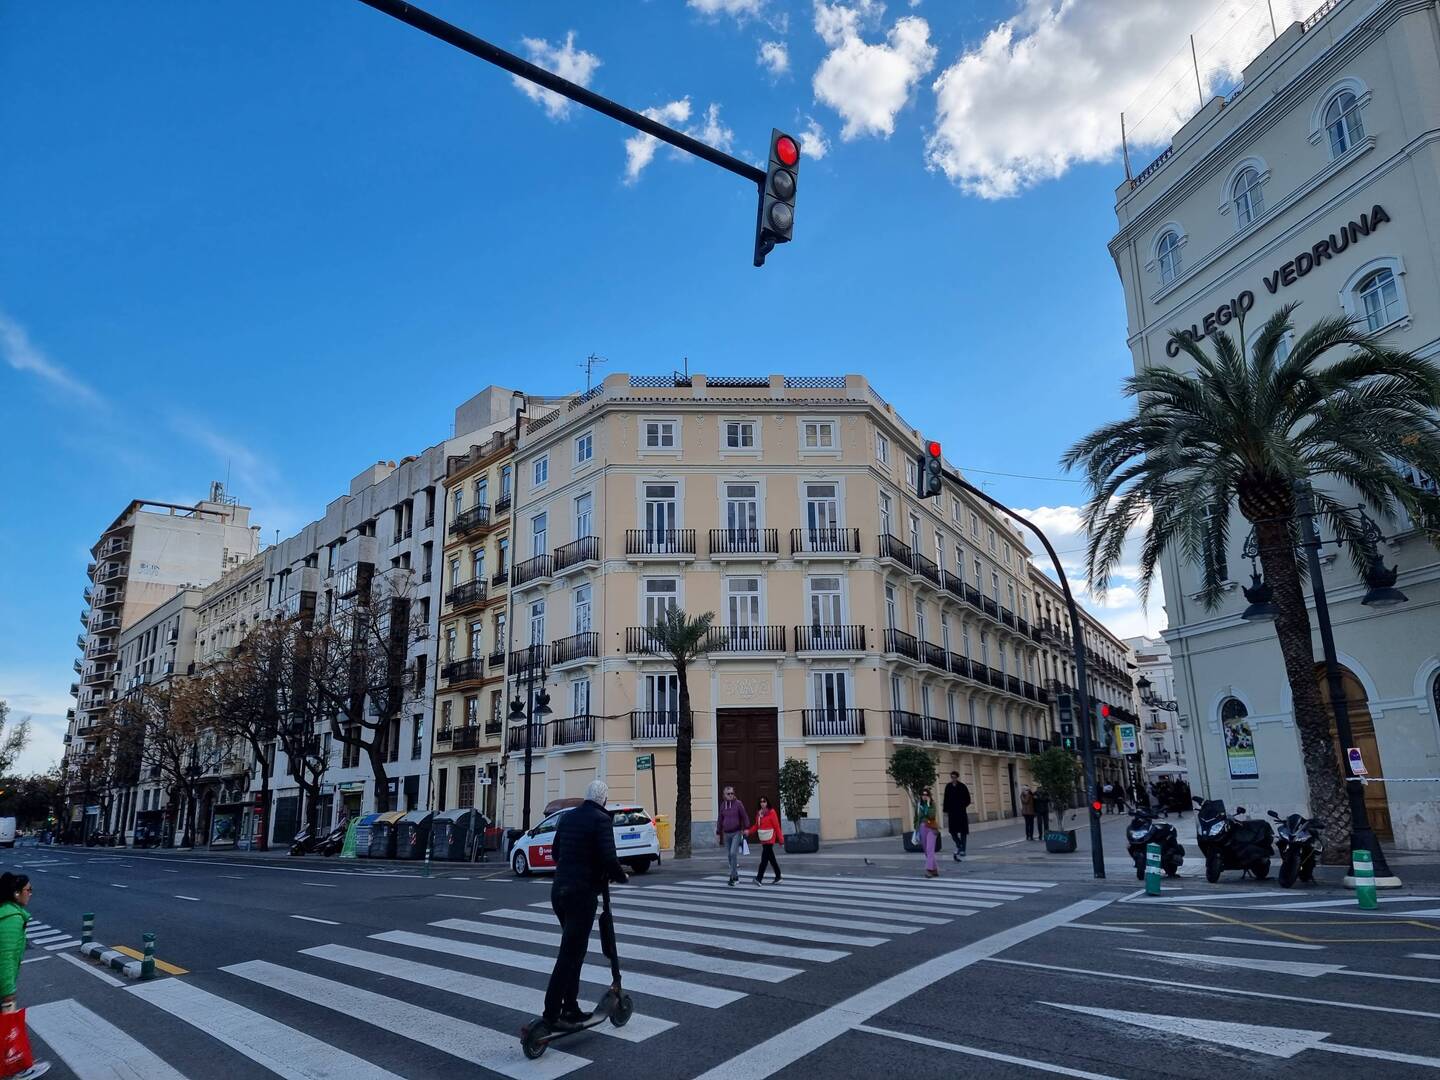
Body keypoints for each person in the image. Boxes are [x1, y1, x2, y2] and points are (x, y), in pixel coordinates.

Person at [543, 780, 627, 1031]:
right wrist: (621, 876)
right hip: (581, 894)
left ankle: (570, 1007)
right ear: (604, 800)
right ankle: (551, 1013)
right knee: (569, 954)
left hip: (559, 892)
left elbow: (556, 853)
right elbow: (609, 858)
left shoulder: (568, 817)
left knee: (575, 951)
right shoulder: (601, 820)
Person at [0, 873, 50, 1078]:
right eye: (28, 890)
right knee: (10, 1028)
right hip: (3, 986)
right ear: (16, 893)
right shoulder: (11, 918)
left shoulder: (6, 912)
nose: (30, 894)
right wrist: (8, 992)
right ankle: (19, 1067)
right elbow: (5, 957)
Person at [716, 785, 751, 886]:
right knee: (729, 855)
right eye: (728, 794)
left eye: (732, 793)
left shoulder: (738, 804)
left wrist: (747, 828)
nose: (731, 795)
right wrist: (718, 833)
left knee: (732, 853)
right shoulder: (723, 805)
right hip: (726, 834)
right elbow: (720, 819)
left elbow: (744, 816)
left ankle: (733, 877)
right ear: (724, 795)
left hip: (736, 832)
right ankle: (735, 876)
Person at [748, 795, 783, 885]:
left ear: (767, 803)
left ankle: (759, 878)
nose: (762, 803)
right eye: (761, 801)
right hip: (763, 838)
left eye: (764, 801)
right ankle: (778, 876)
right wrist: (749, 832)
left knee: (764, 859)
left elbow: (776, 826)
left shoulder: (772, 812)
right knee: (771, 859)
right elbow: (757, 825)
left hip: (770, 838)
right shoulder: (759, 813)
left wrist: (780, 839)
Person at [942, 770, 971, 862]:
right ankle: (959, 845)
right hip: (952, 813)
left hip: (961, 812)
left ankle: (963, 850)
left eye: (954, 777)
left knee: (963, 832)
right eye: (952, 777)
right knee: (952, 831)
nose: (953, 779)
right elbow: (945, 799)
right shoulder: (948, 786)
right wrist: (945, 810)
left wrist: (962, 806)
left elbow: (968, 799)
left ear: (957, 777)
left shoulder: (962, 786)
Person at [916, 787, 940, 878]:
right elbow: (918, 818)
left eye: (926, 795)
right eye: (923, 795)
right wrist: (916, 830)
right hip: (922, 827)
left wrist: (928, 804)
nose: (924, 796)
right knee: (926, 851)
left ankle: (929, 870)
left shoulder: (932, 804)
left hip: (931, 828)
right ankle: (934, 869)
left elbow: (932, 815)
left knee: (930, 849)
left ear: (929, 796)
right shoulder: (919, 805)